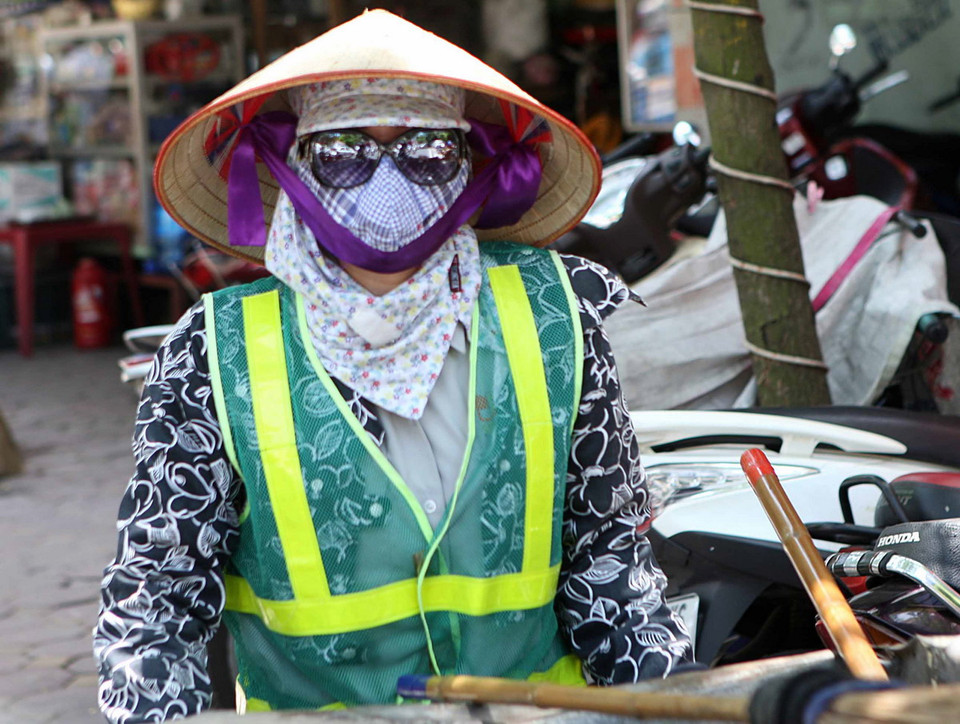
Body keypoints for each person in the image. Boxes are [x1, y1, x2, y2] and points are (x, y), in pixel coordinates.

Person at [94, 10, 692, 720]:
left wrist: (671, 702)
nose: (386, 182)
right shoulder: (212, 354)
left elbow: (611, 563)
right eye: (344, 151)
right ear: (292, 167)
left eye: (428, 151)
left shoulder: (556, 320)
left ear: (471, 165)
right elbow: (156, 602)